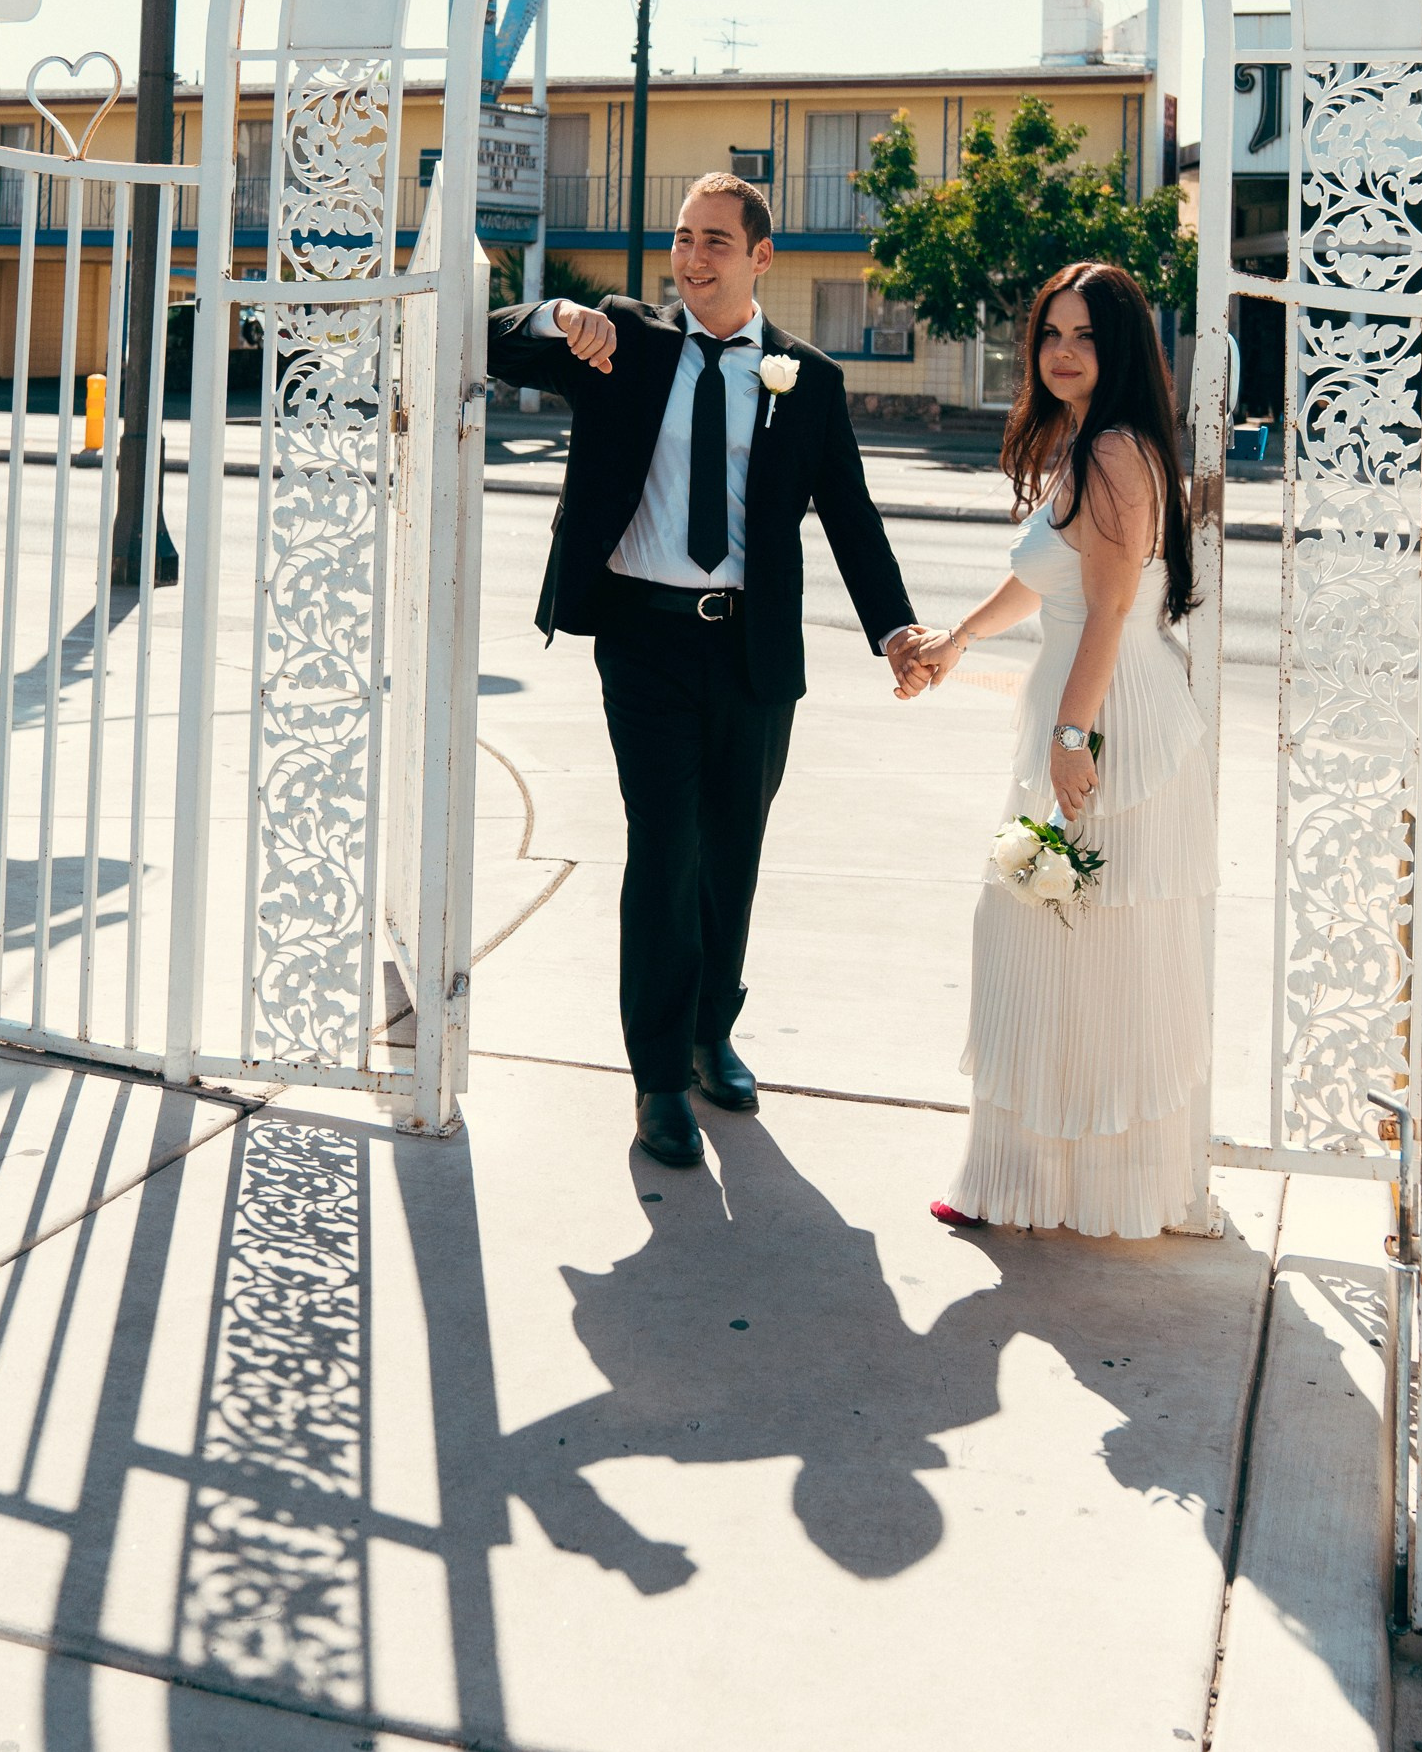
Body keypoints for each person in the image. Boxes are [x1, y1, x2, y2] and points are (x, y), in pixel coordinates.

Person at [487, 174, 930, 1169]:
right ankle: (655, 1081)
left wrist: (893, 628)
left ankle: (708, 1034)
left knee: (732, 854)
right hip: (642, 641)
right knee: (665, 848)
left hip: (752, 649)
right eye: (684, 238)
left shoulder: (805, 380)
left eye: (716, 241)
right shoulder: (623, 344)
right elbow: (491, 337)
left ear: (760, 258)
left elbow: (850, 516)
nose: (694, 257)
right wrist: (559, 313)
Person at [907, 263, 1218, 1240]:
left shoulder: (1118, 452)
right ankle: (1027, 1177)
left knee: (1077, 941)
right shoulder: (1080, 446)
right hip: (1077, 709)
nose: (1063, 351)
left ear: (1119, 348)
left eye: (1084, 335)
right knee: (1043, 940)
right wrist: (956, 642)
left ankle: (1086, 1182)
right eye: (1051, 333)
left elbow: (1115, 606)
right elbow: (1043, 585)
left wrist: (1071, 736)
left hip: (1109, 718)